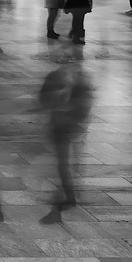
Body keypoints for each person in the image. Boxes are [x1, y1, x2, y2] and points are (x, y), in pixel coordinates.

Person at [39, 62, 93, 208]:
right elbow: (44, 99)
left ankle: (70, 195)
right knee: (65, 163)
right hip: (64, 128)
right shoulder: (57, 78)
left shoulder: (79, 84)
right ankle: (70, 193)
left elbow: (83, 109)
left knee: (66, 163)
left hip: (68, 128)